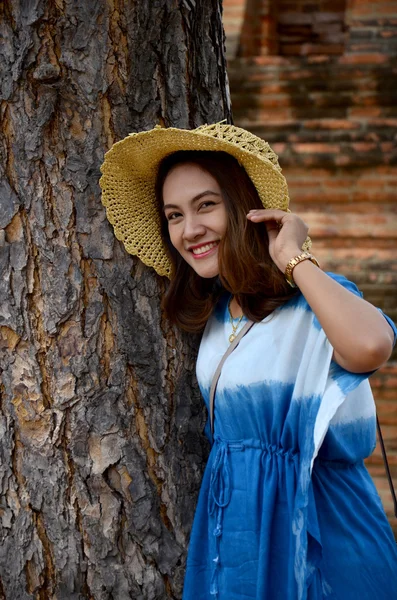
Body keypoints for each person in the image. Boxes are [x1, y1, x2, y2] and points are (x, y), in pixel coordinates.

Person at [100, 122, 397, 600]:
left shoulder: (312, 301)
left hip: (325, 535)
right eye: (174, 215)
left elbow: (371, 346)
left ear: (245, 208)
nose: (189, 229)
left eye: (206, 205)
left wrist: (291, 257)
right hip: (236, 537)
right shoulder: (217, 317)